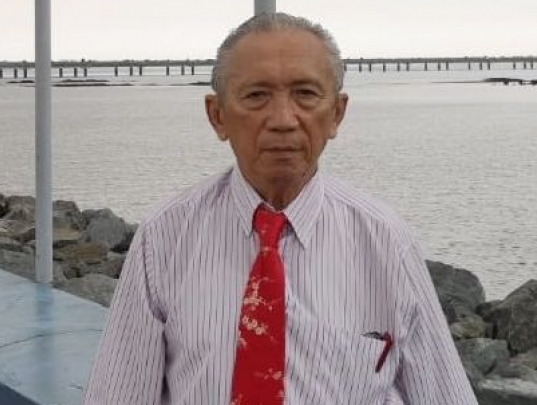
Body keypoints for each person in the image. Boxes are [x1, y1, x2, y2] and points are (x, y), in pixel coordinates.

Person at [84, 12, 478, 405]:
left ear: (337, 114)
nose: (283, 120)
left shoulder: (386, 243)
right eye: (257, 96)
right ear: (217, 116)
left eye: (305, 94)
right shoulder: (164, 238)